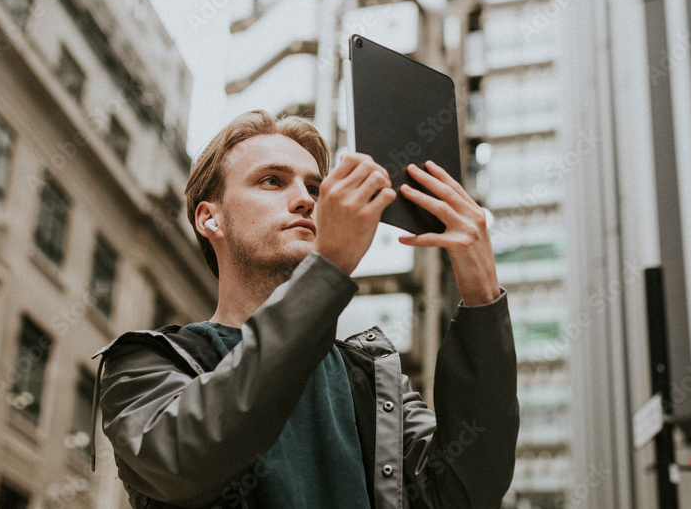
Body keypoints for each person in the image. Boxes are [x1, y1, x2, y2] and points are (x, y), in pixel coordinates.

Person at [89, 110, 518, 509]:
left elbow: (466, 491)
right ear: (210, 219)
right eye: (272, 181)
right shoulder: (143, 364)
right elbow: (188, 459)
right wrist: (328, 267)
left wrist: (482, 294)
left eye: (314, 187)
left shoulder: (375, 384)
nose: (307, 200)